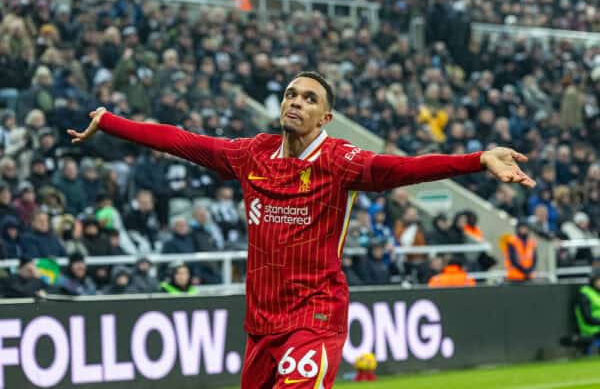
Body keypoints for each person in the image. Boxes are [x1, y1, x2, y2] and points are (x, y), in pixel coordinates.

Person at [68, 71, 535, 388]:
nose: (296, 102)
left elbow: (402, 169)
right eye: (292, 94)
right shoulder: (252, 153)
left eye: (309, 99)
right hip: (261, 323)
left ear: (325, 118)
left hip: (315, 315)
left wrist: (476, 159)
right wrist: (111, 123)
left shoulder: (340, 161)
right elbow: (183, 141)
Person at [574, 269, 600, 354]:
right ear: (593, 280)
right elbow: (587, 318)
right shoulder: (585, 294)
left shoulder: (597, 293)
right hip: (591, 329)